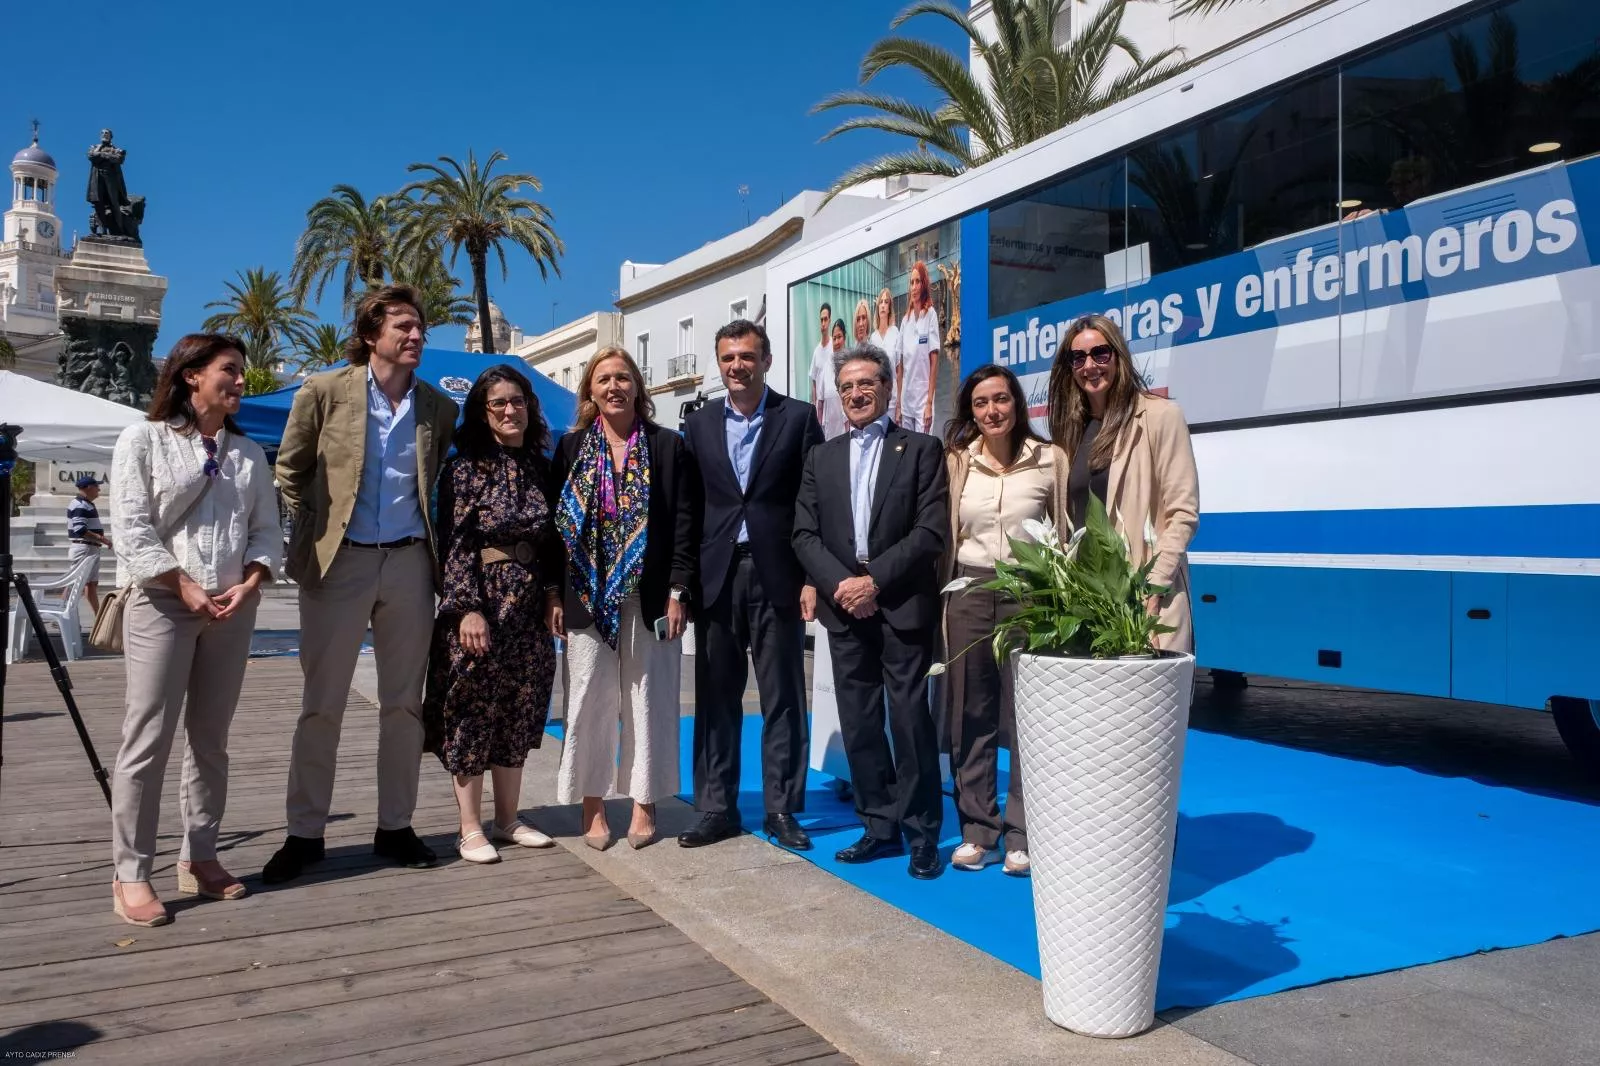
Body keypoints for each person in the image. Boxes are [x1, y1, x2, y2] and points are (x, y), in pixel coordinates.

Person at [263, 285, 459, 884]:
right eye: (403, 326)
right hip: (338, 562)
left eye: (420, 327)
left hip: (409, 564)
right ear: (371, 335)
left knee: (404, 705)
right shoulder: (324, 390)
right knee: (321, 704)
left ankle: (395, 826)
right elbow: (290, 470)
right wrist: (314, 532)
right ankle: (305, 833)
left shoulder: (437, 407)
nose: (416, 335)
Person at [107, 333, 281, 926]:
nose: (240, 381)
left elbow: (266, 531)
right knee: (147, 739)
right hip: (162, 604)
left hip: (230, 610)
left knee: (211, 739)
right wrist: (183, 585)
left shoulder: (248, 454)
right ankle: (131, 872)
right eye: (229, 370)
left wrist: (251, 581)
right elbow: (131, 528)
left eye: (241, 371)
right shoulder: (143, 439)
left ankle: (200, 854)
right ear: (191, 375)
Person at [793, 343, 948, 880]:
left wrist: (874, 580)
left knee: (910, 722)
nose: (856, 394)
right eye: (847, 387)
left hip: (900, 602)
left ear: (886, 387)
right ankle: (879, 826)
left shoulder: (922, 449)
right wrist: (843, 586)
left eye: (866, 384)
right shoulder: (822, 457)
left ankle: (922, 833)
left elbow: (930, 532)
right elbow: (804, 534)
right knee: (859, 724)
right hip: (844, 607)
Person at [678, 320, 823, 851]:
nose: (736, 366)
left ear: (766, 360)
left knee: (783, 696)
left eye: (746, 356)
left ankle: (781, 808)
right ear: (719, 364)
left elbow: (815, 502)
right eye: (728, 358)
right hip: (716, 576)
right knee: (716, 695)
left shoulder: (798, 418)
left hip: (778, 574)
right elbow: (689, 509)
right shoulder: (699, 424)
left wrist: (812, 577)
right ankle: (717, 807)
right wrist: (681, 584)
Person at [551, 346, 698, 851]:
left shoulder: (667, 446)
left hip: (650, 596)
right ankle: (592, 805)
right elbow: (556, 531)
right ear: (589, 392)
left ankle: (644, 802)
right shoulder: (571, 448)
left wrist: (679, 591)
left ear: (637, 386)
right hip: (586, 594)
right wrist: (552, 594)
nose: (613, 386)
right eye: (603, 379)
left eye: (622, 377)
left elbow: (684, 525)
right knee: (588, 698)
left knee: (649, 699)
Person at [423, 364, 561, 864]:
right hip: (482, 603)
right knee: (472, 709)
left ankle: (507, 819)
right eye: (498, 402)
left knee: (519, 708)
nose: (509, 410)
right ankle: (469, 828)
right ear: (482, 412)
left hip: (529, 607)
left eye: (517, 401)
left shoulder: (542, 467)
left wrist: (553, 594)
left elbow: (553, 543)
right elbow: (455, 545)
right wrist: (466, 609)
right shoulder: (465, 470)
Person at [940, 365, 1065, 877]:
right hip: (969, 590)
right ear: (970, 412)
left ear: (1018, 403)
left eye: (1001, 399)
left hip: (1028, 592)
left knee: (1027, 716)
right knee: (971, 713)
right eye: (981, 403)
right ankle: (978, 830)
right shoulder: (957, 462)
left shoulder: (1050, 459)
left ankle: (1022, 833)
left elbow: (1065, 529)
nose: (992, 411)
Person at [1048, 313, 1199, 652]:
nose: (1090, 365)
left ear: (1118, 356)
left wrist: (1153, 588)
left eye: (1100, 354)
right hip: (1087, 600)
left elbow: (1183, 514)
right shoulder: (1070, 430)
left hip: (1140, 600)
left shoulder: (1160, 416)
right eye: (1078, 357)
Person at [898, 262, 941, 434]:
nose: (914, 287)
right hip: (907, 401)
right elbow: (901, 366)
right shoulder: (905, 321)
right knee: (907, 446)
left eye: (918, 282)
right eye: (911, 282)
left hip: (923, 401)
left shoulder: (930, 315)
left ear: (924, 284)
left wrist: (929, 403)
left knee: (923, 446)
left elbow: (934, 363)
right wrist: (899, 405)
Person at [67, 474, 112, 613]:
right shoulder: (80, 505)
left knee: (91, 584)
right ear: (89, 487)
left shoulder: (85, 504)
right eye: (97, 486)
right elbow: (80, 529)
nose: (99, 489)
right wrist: (102, 538)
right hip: (84, 547)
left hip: (89, 548)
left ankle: (98, 616)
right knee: (75, 584)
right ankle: (63, 613)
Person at [808, 303, 846, 439]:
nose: (823, 323)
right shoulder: (817, 352)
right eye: (821, 320)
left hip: (839, 408)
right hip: (823, 407)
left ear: (830, 320)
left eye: (825, 319)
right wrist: (815, 406)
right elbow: (814, 382)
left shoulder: (834, 347)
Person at [868, 287, 900, 421]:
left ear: (889, 308)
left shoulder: (895, 333)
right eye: (881, 302)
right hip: (878, 397)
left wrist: (899, 404)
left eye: (886, 302)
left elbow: (899, 370)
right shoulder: (873, 338)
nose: (883, 305)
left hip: (893, 395)